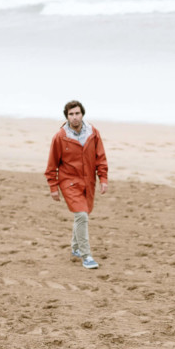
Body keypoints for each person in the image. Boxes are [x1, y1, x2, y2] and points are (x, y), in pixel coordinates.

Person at [45, 100, 109, 269]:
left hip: (88, 182)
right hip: (68, 182)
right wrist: (53, 187)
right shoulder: (60, 137)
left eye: (77, 113)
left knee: (82, 215)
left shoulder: (93, 132)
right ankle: (86, 256)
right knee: (81, 216)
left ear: (82, 114)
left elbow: (100, 157)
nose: (74, 117)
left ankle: (75, 248)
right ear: (67, 117)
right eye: (71, 114)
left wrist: (103, 179)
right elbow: (52, 165)